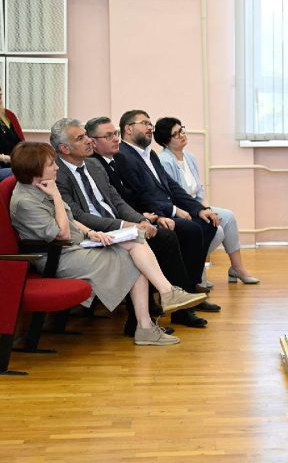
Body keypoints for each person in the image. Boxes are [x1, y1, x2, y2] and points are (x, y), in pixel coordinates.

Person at [9, 142, 208, 346]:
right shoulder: (26, 201)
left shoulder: (42, 186)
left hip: (77, 245)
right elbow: (62, 233)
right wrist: (57, 196)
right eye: (51, 164)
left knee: (135, 239)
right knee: (133, 259)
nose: (57, 167)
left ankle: (163, 298)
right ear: (35, 169)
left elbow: (70, 219)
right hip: (59, 256)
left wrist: (91, 232)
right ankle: (148, 323)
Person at [51, 117, 198, 335]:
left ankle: (179, 307)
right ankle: (142, 317)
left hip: (116, 226)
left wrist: (141, 221)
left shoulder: (93, 165)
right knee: (139, 245)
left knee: (164, 237)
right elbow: (78, 215)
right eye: (81, 138)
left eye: (87, 136)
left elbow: (117, 201)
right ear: (64, 148)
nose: (89, 141)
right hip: (94, 232)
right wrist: (124, 225)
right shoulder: (57, 173)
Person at [85, 114, 219, 327]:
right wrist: (150, 217)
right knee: (178, 233)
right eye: (109, 135)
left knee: (201, 225)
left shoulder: (132, 157)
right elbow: (132, 197)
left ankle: (187, 294)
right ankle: (175, 304)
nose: (115, 138)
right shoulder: (106, 161)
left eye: (115, 134)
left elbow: (166, 187)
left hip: (142, 215)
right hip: (128, 220)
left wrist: (198, 208)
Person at [154, 117, 259, 285]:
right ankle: (195, 269)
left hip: (195, 205)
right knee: (218, 230)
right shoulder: (164, 161)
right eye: (176, 134)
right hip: (181, 210)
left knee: (228, 216)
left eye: (182, 130)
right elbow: (174, 196)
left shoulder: (189, 157)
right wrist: (201, 211)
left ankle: (237, 268)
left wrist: (207, 208)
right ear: (166, 141)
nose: (182, 135)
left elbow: (199, 190)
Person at [0, 86, 24, 181]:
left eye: (0, 95)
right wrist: (5, 158)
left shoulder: (9, 115)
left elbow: (22, 143)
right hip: (5, 166)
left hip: (15, 163)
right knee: (20, 174)